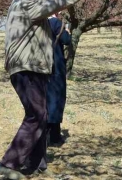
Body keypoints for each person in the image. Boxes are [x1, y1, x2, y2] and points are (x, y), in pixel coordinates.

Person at [0, 0, 104, 180]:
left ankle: (35, 163)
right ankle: (8, 164)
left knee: (41, 115)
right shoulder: (25, 2)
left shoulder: (25, 6)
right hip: (27, 67)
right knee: (36, 115)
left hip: (33, 69)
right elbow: (55, 4)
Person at [46, 13, 71, 146]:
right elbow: (66, 40)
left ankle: (44, 135)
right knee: (56, 100)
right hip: (55, 66)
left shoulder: (37, 24)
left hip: (40, 67)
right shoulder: (55, 23)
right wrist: (67, 31)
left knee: (44, 100)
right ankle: (54, 136)